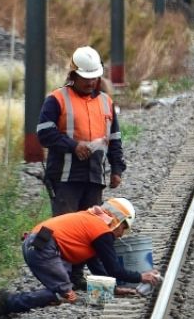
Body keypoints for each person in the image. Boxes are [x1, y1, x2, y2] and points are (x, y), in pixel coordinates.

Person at [0, 198, 161, 319]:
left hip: (39, 243)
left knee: (67, 287)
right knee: (63, 294)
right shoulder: (102, 231)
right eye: (124, 228)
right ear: (119, 220)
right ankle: (8, 302)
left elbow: (95, 265)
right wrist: (141, 276)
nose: (122, 234)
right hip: (42, 247)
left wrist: (112, 289)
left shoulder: (92, 221)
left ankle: (66, 284)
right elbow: (114, 269)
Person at [38, 45, 127, 216]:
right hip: (65, 180)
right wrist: (73, 146)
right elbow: (44, 134)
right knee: (67, 229)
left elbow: (114, 139)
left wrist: (116, 169)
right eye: (86, 78)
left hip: (94, 178)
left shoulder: (106, 102)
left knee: (90, 230)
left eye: (94, 77)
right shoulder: (56, 99)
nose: (91, 82)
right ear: (73, 75)